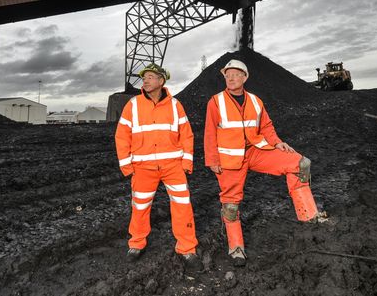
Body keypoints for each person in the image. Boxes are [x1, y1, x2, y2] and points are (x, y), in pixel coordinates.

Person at [204, 59, 327, 267]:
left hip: (256, 151)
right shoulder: (215, 102)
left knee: (300, 163)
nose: (231, 78)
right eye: (227, 75)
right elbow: (209, 133)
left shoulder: (255, 101)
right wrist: (212, 160)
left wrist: (278, 143)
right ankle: (236, 247)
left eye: (235, 74)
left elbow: (267, 127)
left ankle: (309, 217)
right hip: (229, 159)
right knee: (231, 205)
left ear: (244, 77)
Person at [115, 63, 204, 272]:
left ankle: (187, 249)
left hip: (173, 166)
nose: (145, 80)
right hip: (143, 167)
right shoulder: (133, 105)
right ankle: (136, 244)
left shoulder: (175, 105)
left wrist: (186, 163)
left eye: (150, 77)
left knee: (183, 205)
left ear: (161, 81)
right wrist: (126, 165)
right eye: (144, 77)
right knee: (140, 206)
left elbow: (187, 134)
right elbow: (122, 135)